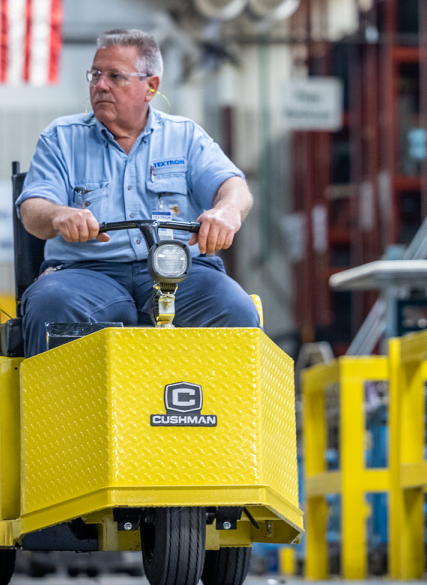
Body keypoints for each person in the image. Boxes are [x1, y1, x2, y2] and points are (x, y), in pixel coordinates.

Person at [16, 28, 259, 356]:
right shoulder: (61, 138)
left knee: (236, 311)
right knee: (51, 306)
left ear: (151, 86)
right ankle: (52, 408)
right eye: (95, 74)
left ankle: (230, 410)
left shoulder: (185, 136)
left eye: (115, 76)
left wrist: (227, 209)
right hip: (85, 276)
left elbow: (235, 188)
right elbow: (33, 209)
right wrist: (59, 214)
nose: (100, 85)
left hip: (179, 274)